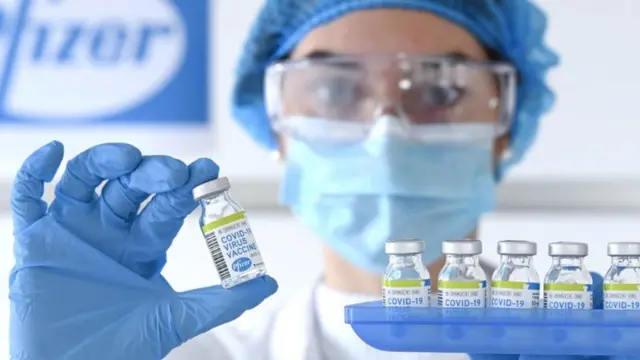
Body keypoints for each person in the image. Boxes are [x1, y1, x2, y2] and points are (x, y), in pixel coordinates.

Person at [10, 1, 617, 360]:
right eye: (333, 89)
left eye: (441, 90)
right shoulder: (193, 357)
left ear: (504, 127)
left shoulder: (603, 339)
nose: (387, 134)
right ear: (279, 130)